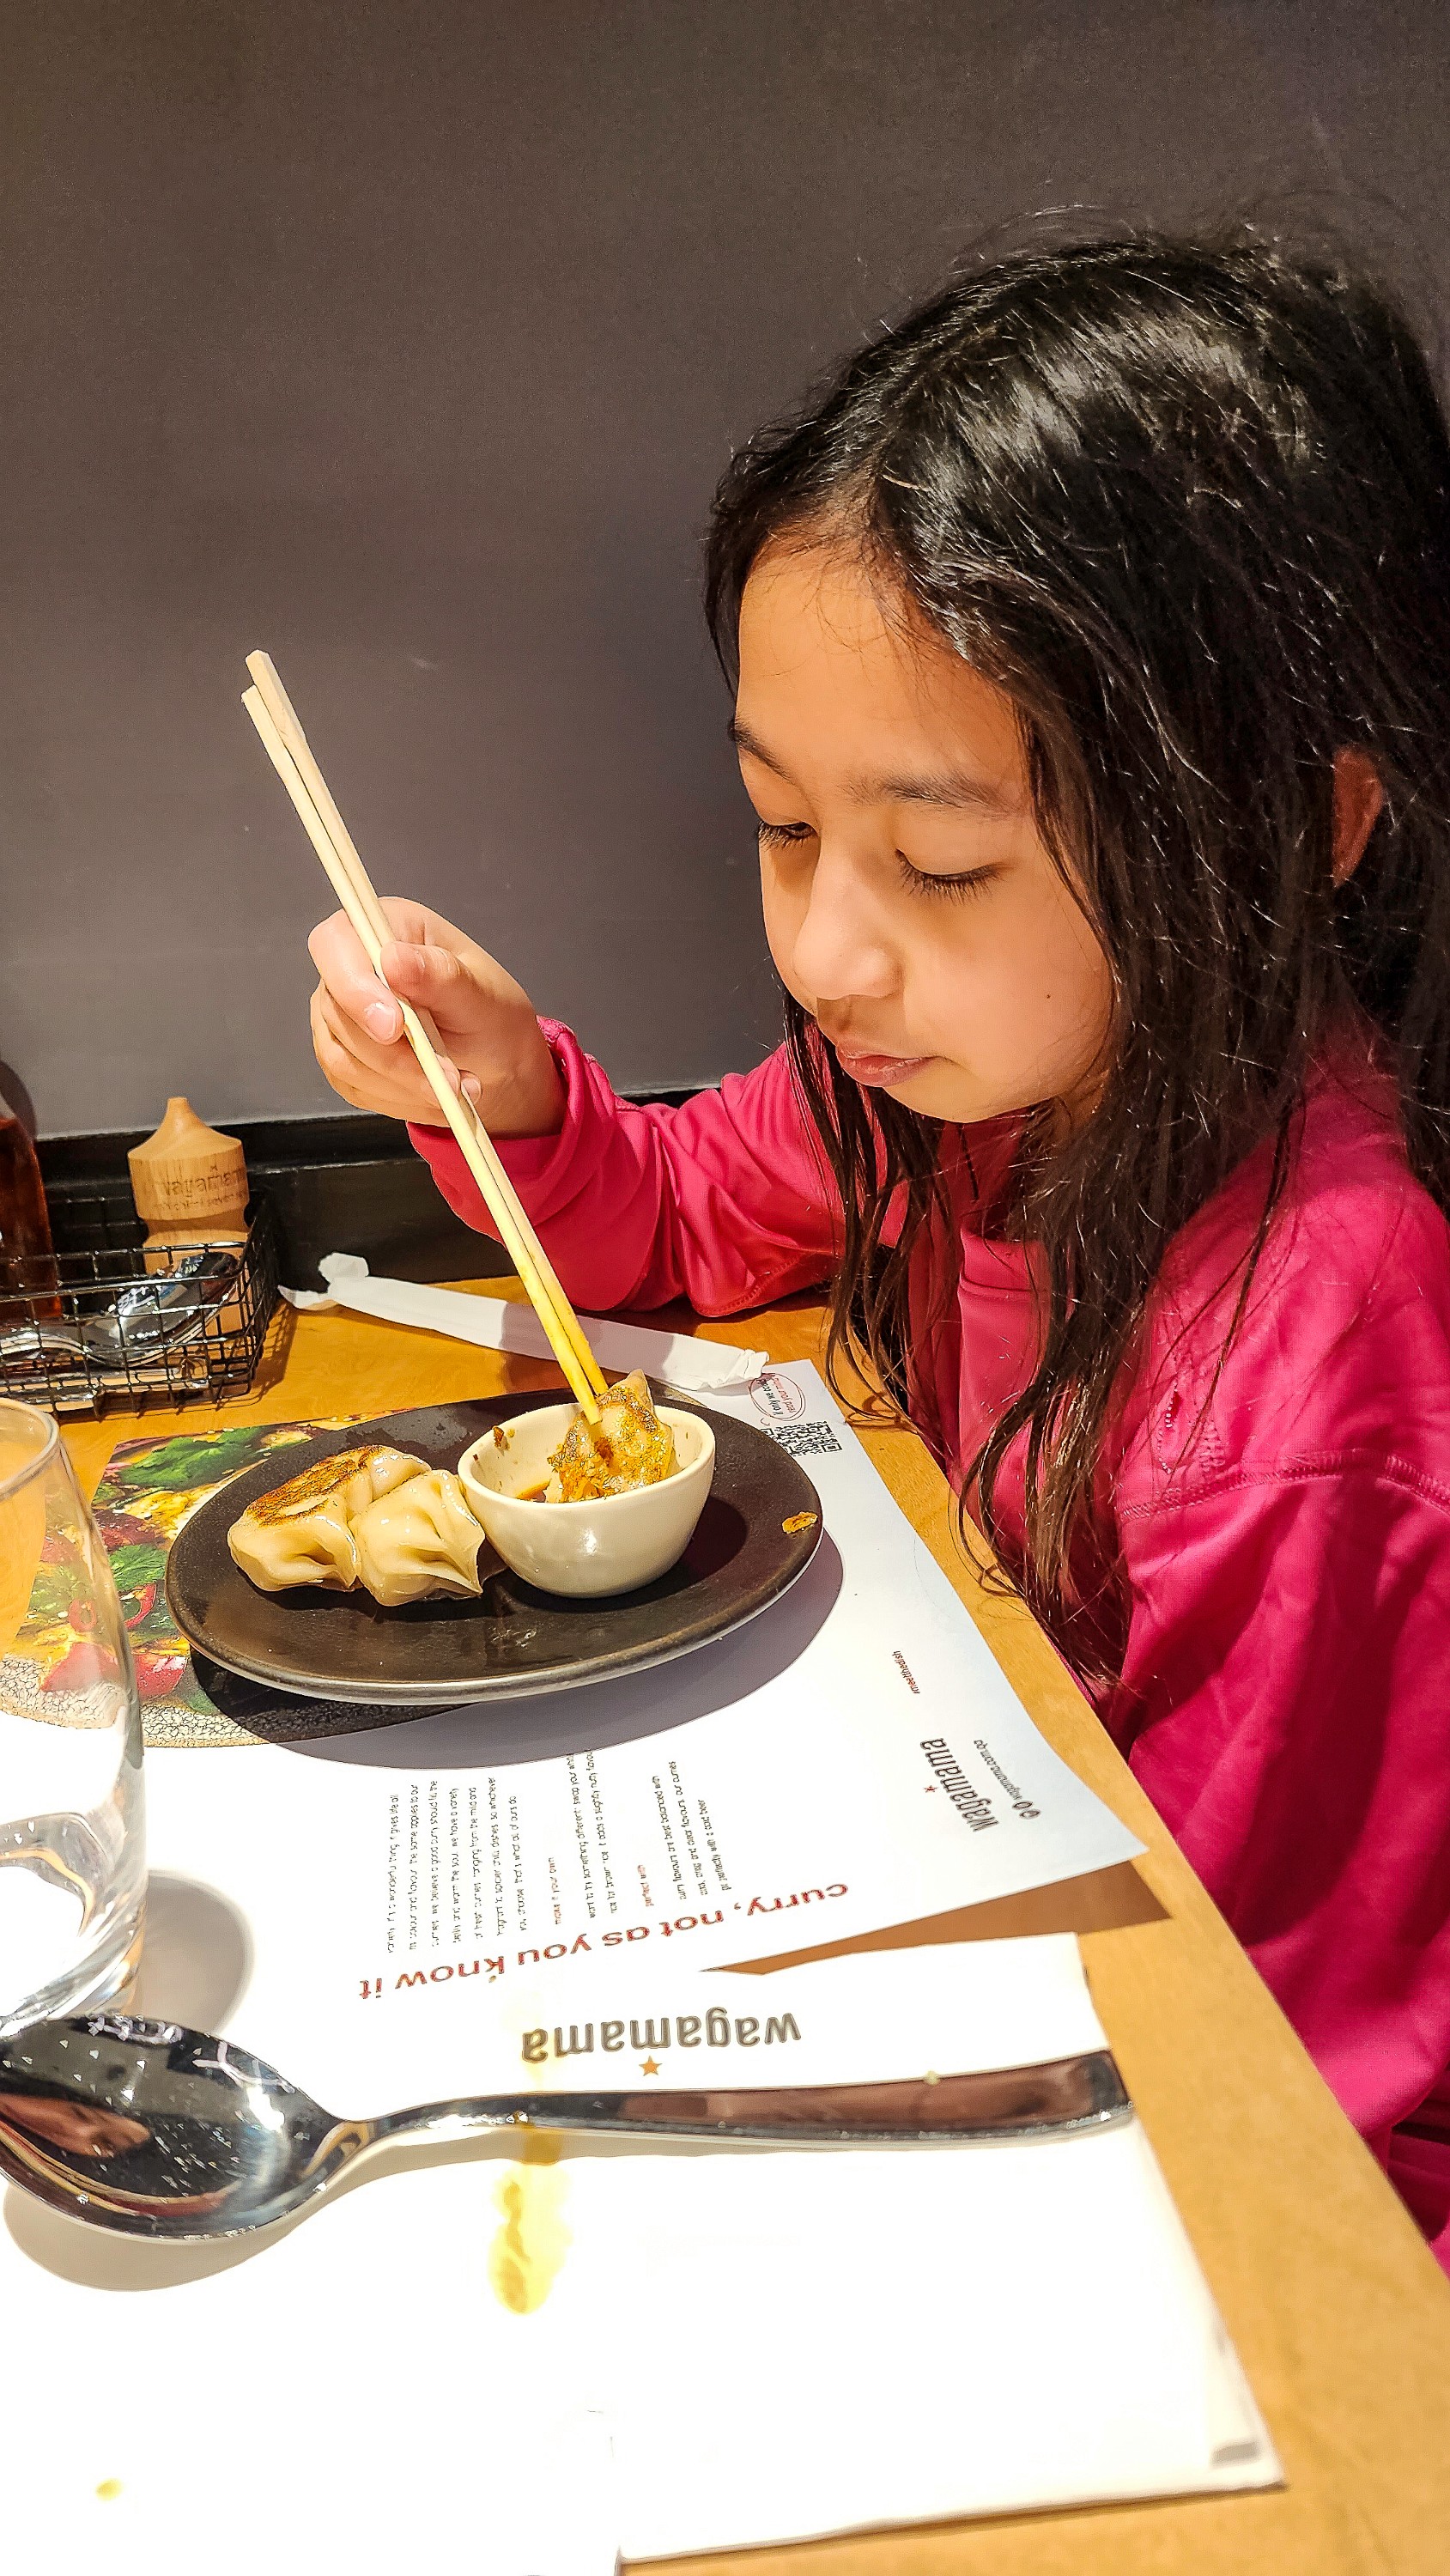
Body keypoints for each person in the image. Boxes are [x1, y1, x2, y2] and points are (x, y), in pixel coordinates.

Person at [308, 234, 1450, 2267]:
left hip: (1241, 2185)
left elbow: (1241, 2058)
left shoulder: (1309, 1372)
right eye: (780, 826)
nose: (824, 951)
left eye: (935, 858)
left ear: (1296, 828)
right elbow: (670, 1220)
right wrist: (505, 1093)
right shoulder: (956, 1078)